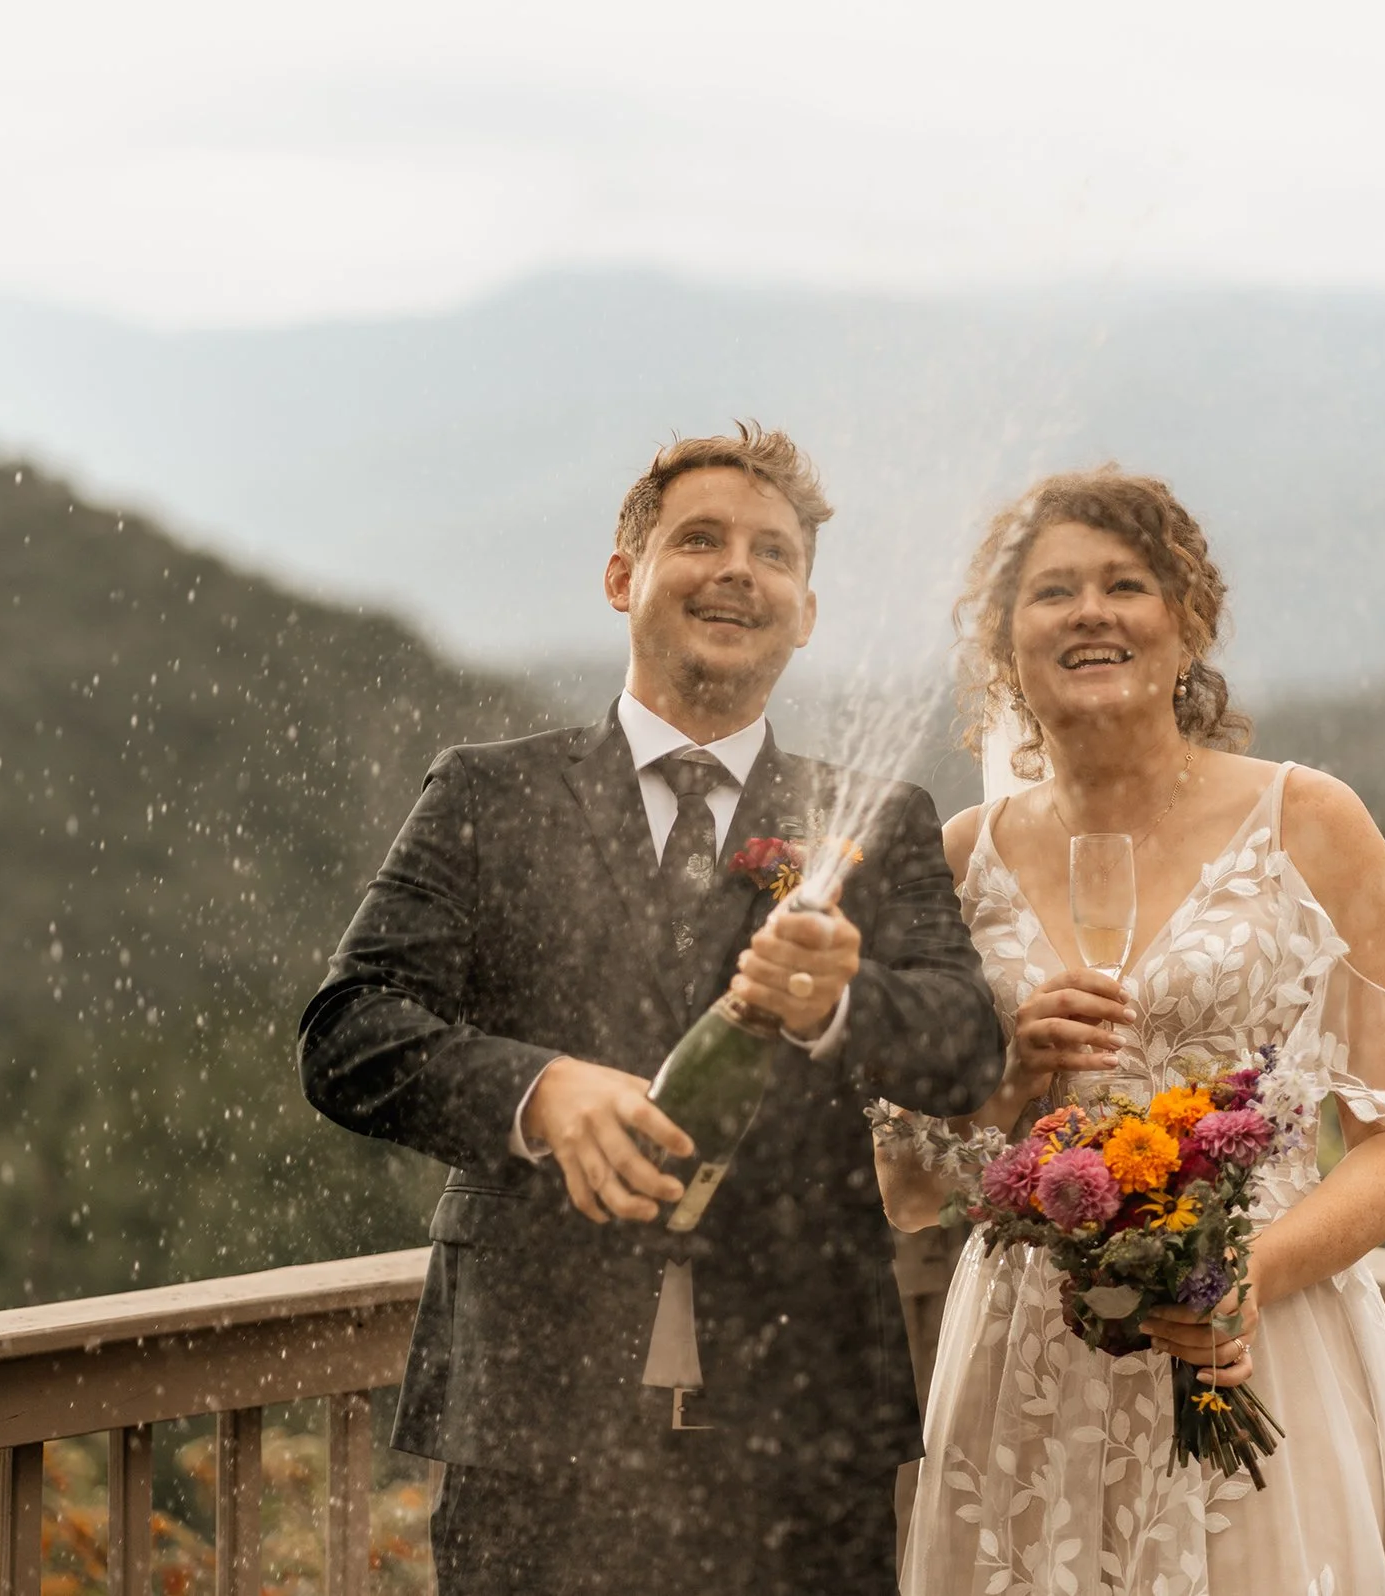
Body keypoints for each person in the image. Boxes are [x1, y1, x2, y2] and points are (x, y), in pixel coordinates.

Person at [300, 424, 1006, 1595]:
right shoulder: (487, 793)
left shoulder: (876, 814)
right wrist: (538, 1090)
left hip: (800, 1424)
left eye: (772, 554)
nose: (737, 570)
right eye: (699, 539)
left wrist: (842, 1003)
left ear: (807, 612)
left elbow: (964, 1052)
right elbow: (348, 1031)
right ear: (623, 576)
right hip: (535, 1417)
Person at [879, 468, 1385, 1594]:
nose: (1089, 613)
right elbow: (906, 1187)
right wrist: (1005, 1079)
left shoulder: (1310, 822)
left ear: (1187, 621)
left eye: (1125, 584)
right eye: (1051, 592)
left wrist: (1237, 1275)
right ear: (1002, 642)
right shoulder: (956, 860)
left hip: (1255, 1347)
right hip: (1023, 1369)